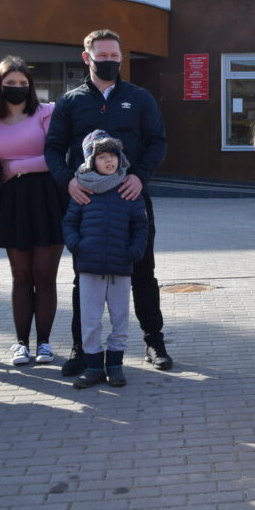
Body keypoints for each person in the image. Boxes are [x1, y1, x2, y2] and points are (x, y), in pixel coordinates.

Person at [44, 30, 170, 375]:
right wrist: (67, 181)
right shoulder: (70, 102)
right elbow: (53, 148)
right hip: (87, 205)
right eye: (104, 56)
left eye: (116, 56)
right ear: (87, 58)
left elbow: (158, 142)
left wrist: (139, 176)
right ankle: (81, 350)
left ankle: (153, 342)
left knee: (144, 273)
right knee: (83, 277)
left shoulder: (139, 98)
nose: (111, 61)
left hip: (131, 200)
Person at [0, 57, 64, 366]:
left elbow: (56, 157)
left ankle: (44, 343)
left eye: (23, 83)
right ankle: (20, 343)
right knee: (20, 276)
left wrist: (15, 166)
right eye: (11, 83)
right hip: (12, 202)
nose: (17, 88)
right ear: (0, 85)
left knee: (45, 276)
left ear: (31, 87)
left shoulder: (48, 112)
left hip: (47, 198)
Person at [62, 131, 148, 390]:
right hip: (89, 267)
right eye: (103, 157)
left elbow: (140, 225)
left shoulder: (127, 189)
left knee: (120, 319)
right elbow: (69, 223)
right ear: (91, 161)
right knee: (90, 321)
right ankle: (94, 369)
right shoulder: (82, 188)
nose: (109, 161)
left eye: (114, 155)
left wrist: (133, 251)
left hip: (120, 267)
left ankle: (115, 367)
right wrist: (78, 247)